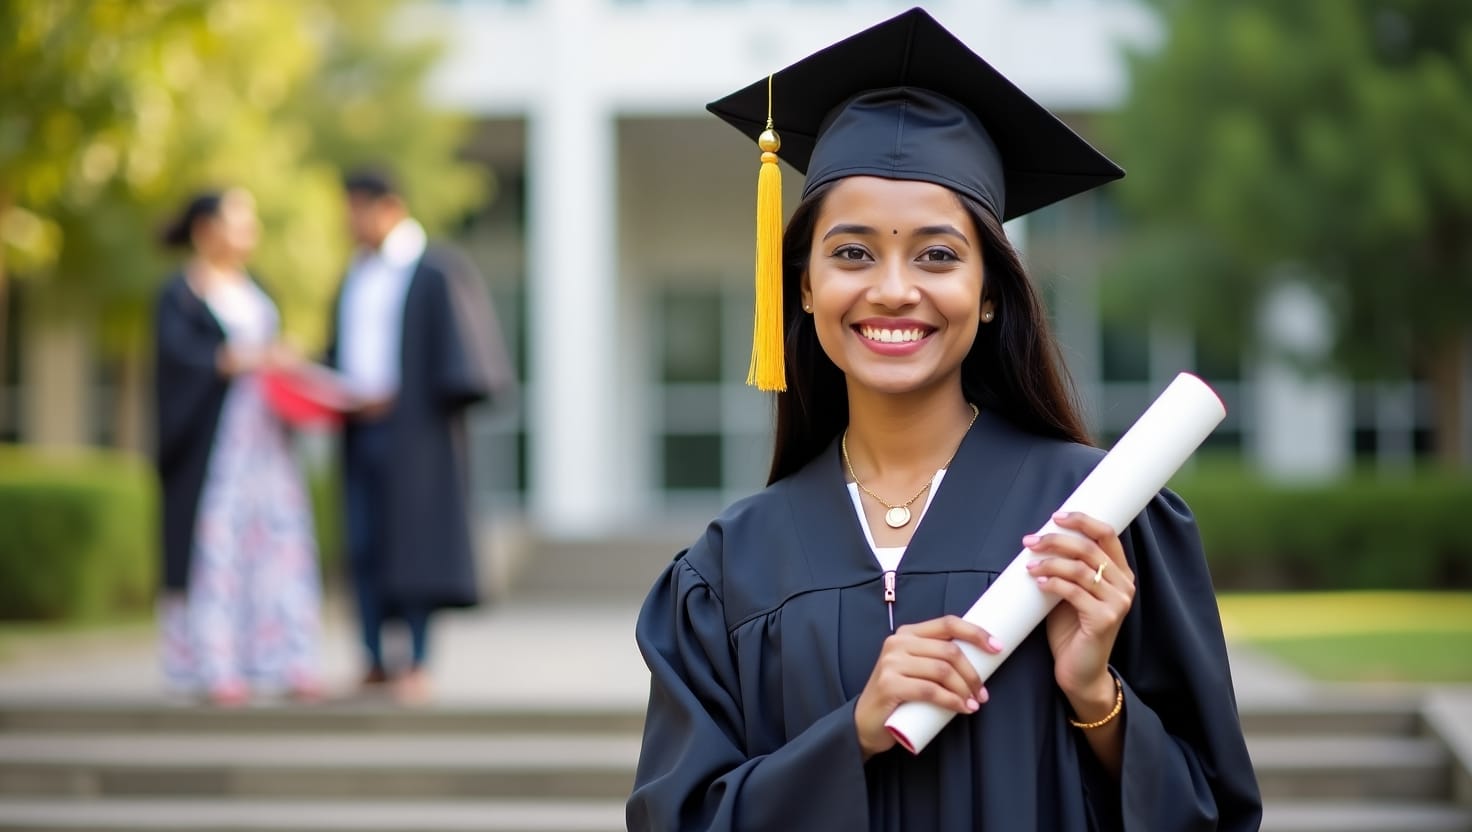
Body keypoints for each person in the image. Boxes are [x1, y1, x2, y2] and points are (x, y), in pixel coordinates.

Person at [628, 9, 1261, 830]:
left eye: (937, 254)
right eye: (852, 252)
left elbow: (1213, 814)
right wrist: (852, 735)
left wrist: (1094, 694)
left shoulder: (1096, 518)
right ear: (806, 286)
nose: (893, 289)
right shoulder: (732, 567)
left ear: (991, 292)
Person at [326, 168, 512, 705]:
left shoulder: (435, 270)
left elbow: (463, 360)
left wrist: (411, 398)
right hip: (357, 427)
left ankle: (418, 661)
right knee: (363, 543)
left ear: (388, 207)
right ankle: (372, 659)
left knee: (416, 546)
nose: (350, 221)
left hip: (417, 435)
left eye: (356, 209)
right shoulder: (353, 276)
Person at [153, 188, 323, 706]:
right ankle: (216, 663)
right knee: (215, 548)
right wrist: (236, 358)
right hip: (215, 447)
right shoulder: (180, 294)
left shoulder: (257, 288)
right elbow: (180, 362)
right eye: (237, 219)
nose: (248, 229)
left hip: (266, 445)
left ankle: (286, 658)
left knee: (276, 545)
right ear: (206, 229)